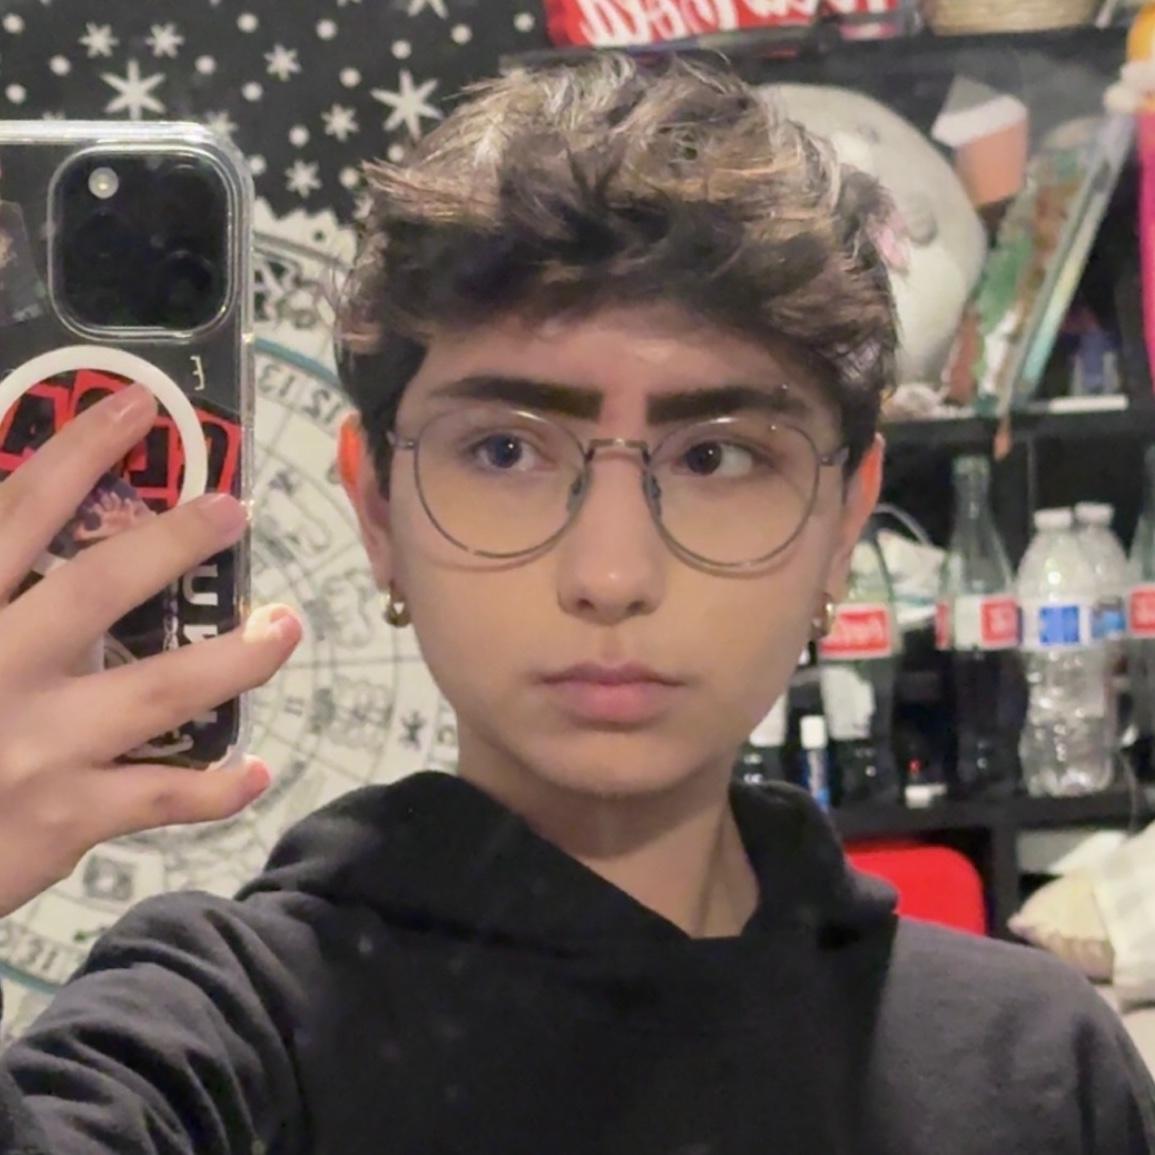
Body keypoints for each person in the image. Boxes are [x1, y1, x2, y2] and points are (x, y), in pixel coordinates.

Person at [0, 54, 1152, 1155]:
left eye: (716, 458)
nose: (611, 574)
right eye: (505, 450)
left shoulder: (1036, 1069)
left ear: (844, 522)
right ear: (379, 512)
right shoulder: (228, 1041)